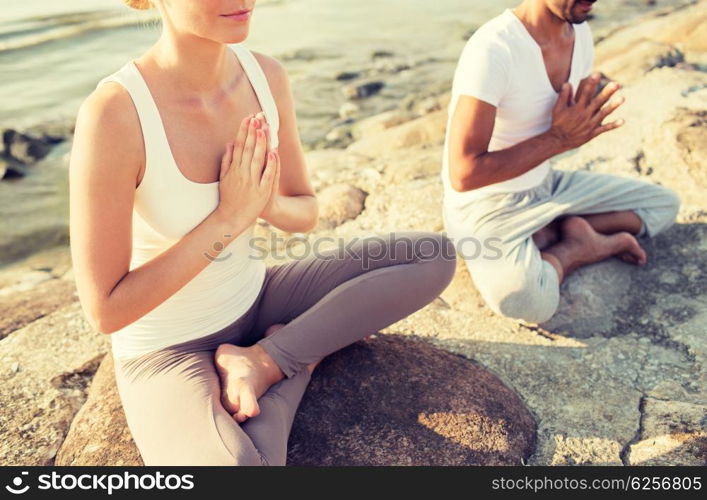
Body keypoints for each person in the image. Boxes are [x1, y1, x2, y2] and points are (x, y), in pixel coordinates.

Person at [69, 0, 456, 466]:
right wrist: (228, 219)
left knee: (432, 255)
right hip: (167, 348)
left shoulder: (264, 77)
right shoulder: (115, 113)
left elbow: (306, 210)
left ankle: (270, 360)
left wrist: (265, 203)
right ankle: (301, 361)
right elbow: (106, 310)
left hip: (257, 297)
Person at [441, 0, 680, 324]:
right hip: (486, 206)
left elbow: (569, 119)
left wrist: (585, 115)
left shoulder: (579, 35)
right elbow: (464, 173)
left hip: (546, 186)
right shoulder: (494, 49)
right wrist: (559, 139)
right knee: (526, 303)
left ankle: (549, 232)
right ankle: (573, 250)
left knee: (663, 205)